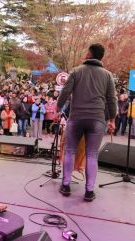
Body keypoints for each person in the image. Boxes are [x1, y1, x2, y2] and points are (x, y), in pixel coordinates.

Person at [57, 43, 117, 202]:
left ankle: (66, 185)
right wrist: (112, 120)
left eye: (86, 51)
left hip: (77, 117)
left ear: (90, 54)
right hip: (97, 119)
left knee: (70, 150)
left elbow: (65, 92)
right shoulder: (107, 75)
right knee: (92, 154)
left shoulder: (76, 71)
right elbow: (112, 99)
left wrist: (58, 107)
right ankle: (89, 191)